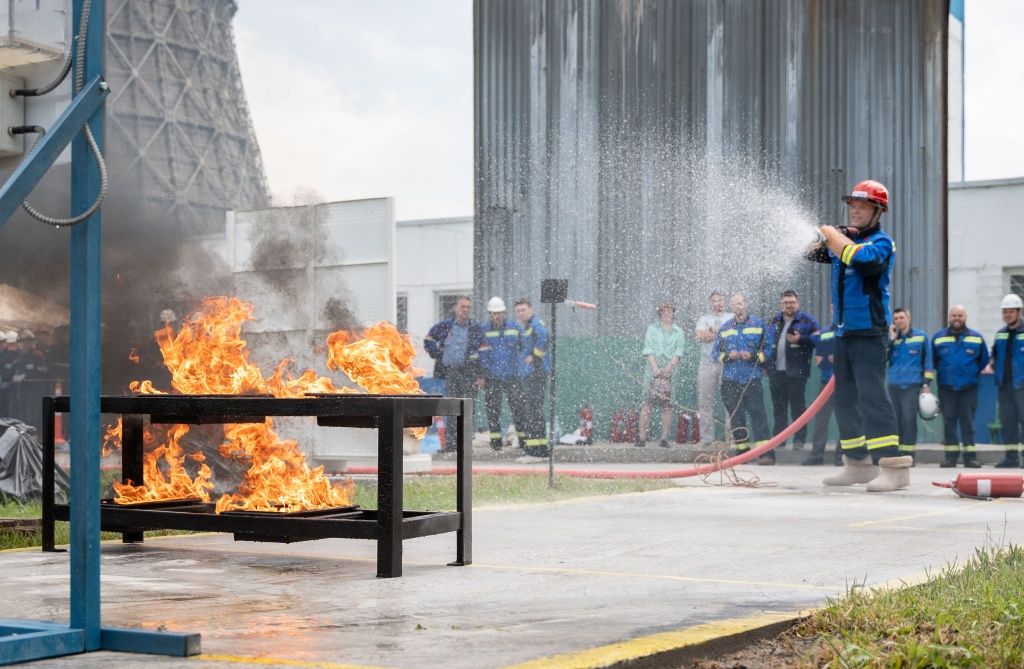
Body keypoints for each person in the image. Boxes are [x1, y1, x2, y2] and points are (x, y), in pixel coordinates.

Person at [806, 179, 908, 492]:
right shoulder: (844, 243)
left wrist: (834, 235)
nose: (855, 210)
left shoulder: (881, 243)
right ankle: (857, 464)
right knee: (845, 400)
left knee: (873, 397)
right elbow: (810, 253)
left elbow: (861, 259)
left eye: (863, 206)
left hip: (870, 334)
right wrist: (823, 236)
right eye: (853, 205)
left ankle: (893, 467)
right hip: (844, 333)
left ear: (879, 211)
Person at [711, 293, 774, 464]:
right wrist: (727, 356)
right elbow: (715, 353)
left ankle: (766, 454)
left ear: (746, 304)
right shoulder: (725, 328)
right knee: (736, 417)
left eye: (740, 303)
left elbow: (769, 351)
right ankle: (742, 452)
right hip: (730, 380)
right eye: (734, 304)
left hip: (752, 378)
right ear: (731, 307)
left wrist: (753, 356)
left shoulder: (758, 324)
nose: (737, 306)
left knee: (758, 414)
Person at [424, 295, 485, 452]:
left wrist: (480, 375)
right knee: (452, 408)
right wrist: (437, 353)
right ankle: (451, 444)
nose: (465, 310)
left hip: (470, 373)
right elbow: (428, 339)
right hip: (451, 372)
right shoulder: (446, 326)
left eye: (468, 307)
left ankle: (464, 444)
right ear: (456, 308)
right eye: (462, 306)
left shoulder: (475, 328)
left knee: (467, 408)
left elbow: (483, 353)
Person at [931, 305, 988, 468]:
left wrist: (970, 372)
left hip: (968, 388)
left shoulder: (976, 338)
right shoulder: (938, 337)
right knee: (948, 423)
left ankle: (970, 458)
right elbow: (933, 361)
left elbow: (983, 360)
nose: (957, 318)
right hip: (946, 388)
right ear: (949, 317)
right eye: (954, 315)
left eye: (960, 315)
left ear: (965, 317)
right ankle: (950, 458)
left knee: (968, 424)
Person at [765, 290, 820, 450]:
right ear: (780, 304)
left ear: (798, 303)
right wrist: (766, 366)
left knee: (798, 407)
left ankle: (799, 440)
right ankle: (779, 440)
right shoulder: (774, 321)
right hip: (776, 372)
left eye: (792, 302)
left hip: (797, 372)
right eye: (785, 302)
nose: (789, 305)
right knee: (778, 408)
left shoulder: (808, 321)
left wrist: (800, 339)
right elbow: (765, 343)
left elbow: (819, 338)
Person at [886, 307, 935, 461]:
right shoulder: (891, 339)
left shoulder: (921, 337)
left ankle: (908, 454)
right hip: (894, 385)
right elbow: (883, 358)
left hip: (912, 386)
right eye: (896, 318)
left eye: (902, 317)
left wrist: (926, 384)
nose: (899, 321)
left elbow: (928, 363)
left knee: (908, 419)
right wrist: (891, 339)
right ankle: (896, 452)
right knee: (895, 420)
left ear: (909, 318)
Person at [637, 301, 685, 449]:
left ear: (673, 313)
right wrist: (655, 368)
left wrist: (668, 369)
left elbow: (678, 353)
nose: (666, 313)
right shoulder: (652, 329)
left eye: (669, 311)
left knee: (667, 405)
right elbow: (648, 349)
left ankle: (664, 438)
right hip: (652, 370)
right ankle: (641, 437)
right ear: (660, 313)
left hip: (671, 371)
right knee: (647, 403)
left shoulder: (679, 332)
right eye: (664, 311)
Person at [478, 297, 523, 451]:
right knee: (493, 410)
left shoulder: (515, 328)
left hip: (512, 375)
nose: (496, 316)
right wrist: (483, 375)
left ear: (504, 313)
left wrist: (520, 369)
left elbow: (523, 348)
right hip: (492, 377)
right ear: (490, 314)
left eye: (499, 313)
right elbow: (482, 355)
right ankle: (496, 443)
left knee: (517, 408)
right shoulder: (484, 330)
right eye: (493, 313)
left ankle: (523, 440)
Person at [987, 293, 1024, 468]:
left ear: (1018, 312)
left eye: (1011, 311)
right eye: (1005, 312)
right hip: (1004, 385)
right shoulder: (1000, 334)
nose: (1008, 315)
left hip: (1021, 385)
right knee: (1008, 422)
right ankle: (1011, 457)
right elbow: (994, 356)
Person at [514, 298, 550, 457]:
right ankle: (539, 447)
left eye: (523, 310)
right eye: (518, 311)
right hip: (530, 374)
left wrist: (534, 357)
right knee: (534, 410)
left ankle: (535, 449)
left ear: (531, 310)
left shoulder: (535, 324)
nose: (521, 313)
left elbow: (544, 337)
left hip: (536, 373)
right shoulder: (527, 326)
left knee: (533, 410)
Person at [803, 323, 841, 466]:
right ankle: (817, 455)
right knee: (821, 419)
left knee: (845, 420)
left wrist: (839, 357)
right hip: (826, 383)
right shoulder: (824, 332)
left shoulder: (850, 330)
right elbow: (819, 357)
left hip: (845, 383)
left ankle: (841, 455)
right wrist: (823, 359)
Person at [694, 291, 728, 444]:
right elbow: (701, 336)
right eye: (714, 301)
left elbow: (733, 337)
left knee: (730, 401)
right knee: (705, 402)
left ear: (724, 302)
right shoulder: (704, 319)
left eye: (719, 300)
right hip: (707, 363)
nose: (717, 303)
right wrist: (721, 332)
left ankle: (731, 438)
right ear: (710, 303)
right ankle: (706, 438)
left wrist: (713, 332)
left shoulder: (731, 317)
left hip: (727, 363)